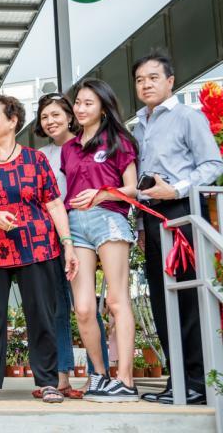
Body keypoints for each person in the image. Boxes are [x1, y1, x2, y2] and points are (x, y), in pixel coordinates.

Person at [0, 95, 78, 403]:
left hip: (36, 247)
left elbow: (53, 204)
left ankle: (48, 382)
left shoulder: (35, 160)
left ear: (13, 121)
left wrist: (68, 244)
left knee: (41, 314)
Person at [132, 50, 223, 405]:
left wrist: (179, 188)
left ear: (170, 81)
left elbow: (212, 163)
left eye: (153, 77)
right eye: (140, 79)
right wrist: (141, 226)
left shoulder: (188, 116)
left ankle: (198, 383)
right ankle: (178, 381)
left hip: (182, 212)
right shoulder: (139, 124)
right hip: (153, 218)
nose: (146, 84)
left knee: (187, 298)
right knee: (161, 298)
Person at [61, 79, 139, 402]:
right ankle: (99, 375)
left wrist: (103, 193)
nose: (80, 108)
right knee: (82, 308)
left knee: (116, 301)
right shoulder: (69, 147)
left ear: (103, 107)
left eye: (88, 103)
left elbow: (133, 189)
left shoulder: (119, 140)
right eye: (77, 102)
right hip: (77, 225)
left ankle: (126, 379)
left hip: (109, 218)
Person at [34, 92, 109, 399]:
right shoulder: (41, 154)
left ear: (69, 115)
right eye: (44, 117)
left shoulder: (83, 147)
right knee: (57, 309)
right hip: (49, 237)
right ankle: (61, 375)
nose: (50, 121)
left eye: (56, 114)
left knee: (85, 306)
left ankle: (97, 374)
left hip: (78, 234)